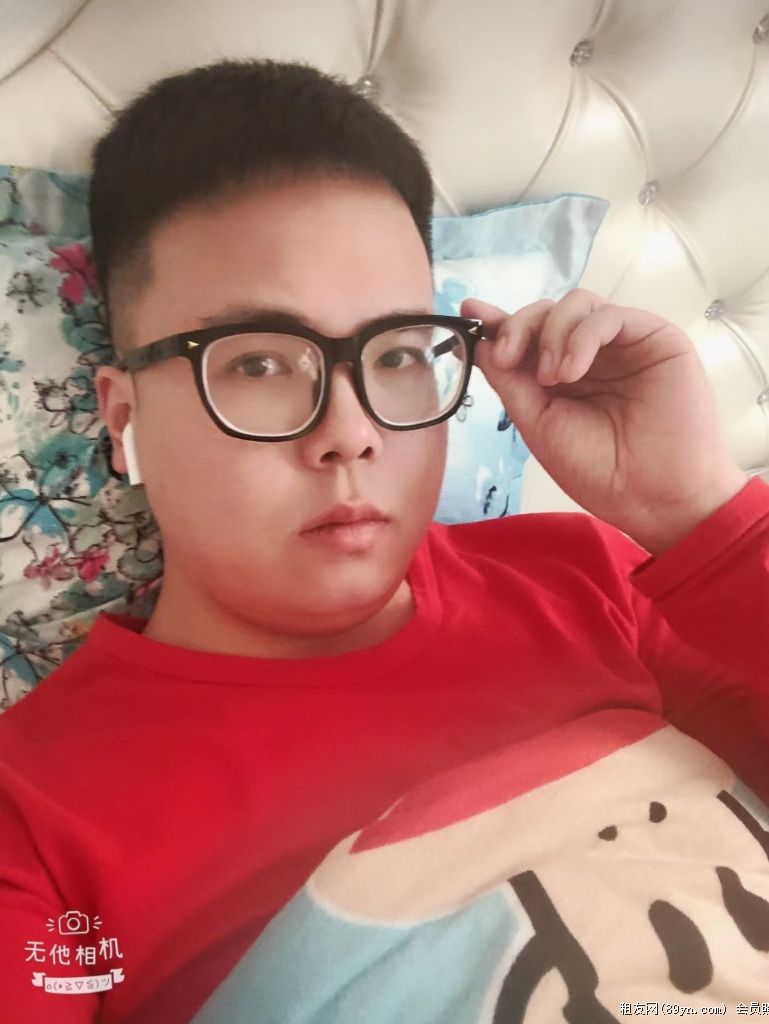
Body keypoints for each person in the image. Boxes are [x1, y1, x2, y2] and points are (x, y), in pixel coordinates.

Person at [0, 58, 767, 1024]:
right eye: (259, 364)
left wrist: (699, 511)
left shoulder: (592, 579)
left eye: (397, 352)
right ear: (122, 421)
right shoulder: (33, 813)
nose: (351, 431)